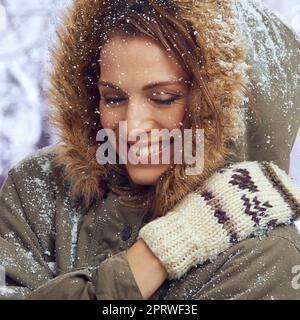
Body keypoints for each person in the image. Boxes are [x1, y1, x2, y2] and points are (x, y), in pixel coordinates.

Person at [0, 0, 300, 300]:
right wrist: (157, 253)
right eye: (113, 98)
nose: (131, 128)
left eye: (163, 98)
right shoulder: (39, 187)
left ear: (228, 109)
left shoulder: (265, 254)